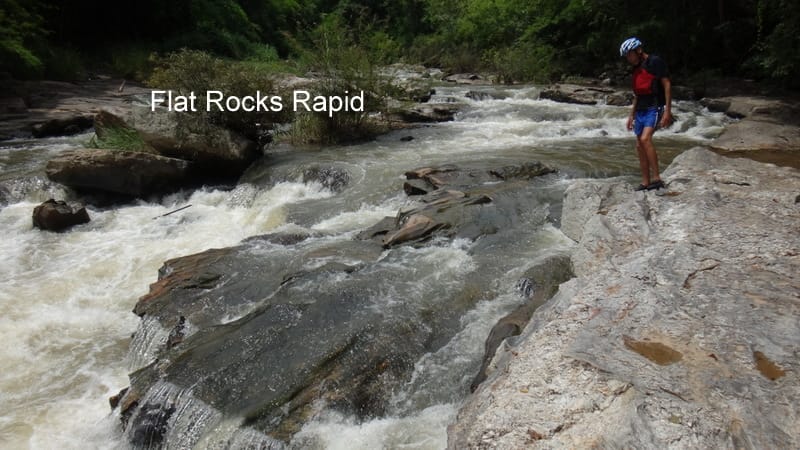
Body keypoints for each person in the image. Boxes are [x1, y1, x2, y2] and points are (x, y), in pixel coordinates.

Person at [620, 37, 673, 191]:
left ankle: (657, 179)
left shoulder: (655, 62)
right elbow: (637, 95)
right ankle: (645, 182)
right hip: (641, 109)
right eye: (627, 56)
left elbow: (667, 84)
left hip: (655, 107)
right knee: (639, 145)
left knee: (645, 139)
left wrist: (668, 111)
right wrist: (631, 115)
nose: (628, 58)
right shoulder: (636, 69)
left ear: (638, 51)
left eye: (630, 54)